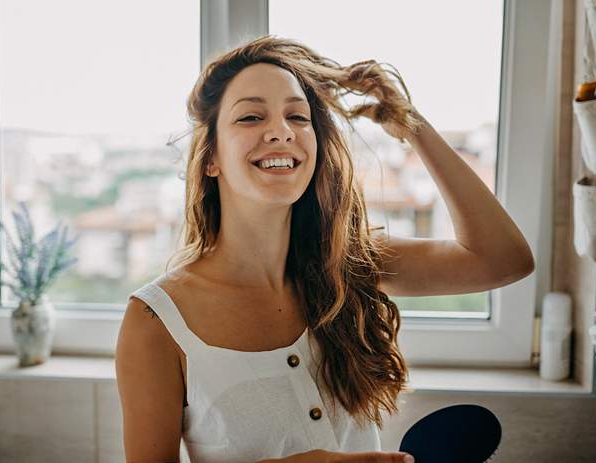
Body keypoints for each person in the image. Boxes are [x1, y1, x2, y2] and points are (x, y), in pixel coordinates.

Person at [115, 35, 534, 463]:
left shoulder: (349, 266)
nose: (280, 131)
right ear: (211, 158)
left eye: (298, 117)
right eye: (251, 117)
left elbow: (503, 259)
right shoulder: (156, 322)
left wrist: (410, 124)